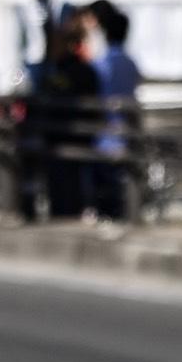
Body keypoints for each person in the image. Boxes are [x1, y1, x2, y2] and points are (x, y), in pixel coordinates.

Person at [37, 14, 102, 219]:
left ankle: (63, 213)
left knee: (61, 183)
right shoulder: (86, 71)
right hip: (82, 138)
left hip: (60, 138)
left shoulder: (56, 72)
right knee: (75, 182)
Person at [84, 2, 142, 220]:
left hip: (104, 135)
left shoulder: (101, 63)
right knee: (122, 189)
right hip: (127, 134)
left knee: (103, 190)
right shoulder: (131, 63)